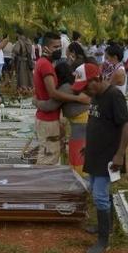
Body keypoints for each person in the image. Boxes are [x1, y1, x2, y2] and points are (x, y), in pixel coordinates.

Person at [73, 63, 128, 253]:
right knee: (101, 193)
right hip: (95, 153)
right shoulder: (96, 95)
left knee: (99, 195)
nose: (85, 91)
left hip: (109, 156)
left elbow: (126, 125)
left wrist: (120, 154)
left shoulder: (114, 95)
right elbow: (97, 123)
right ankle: (105, 227)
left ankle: (103, 241)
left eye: (86, 86)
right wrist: (88, 146)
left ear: (96, 79)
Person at [33, 31, 90, 165]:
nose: (59, 50)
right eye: (55, 47)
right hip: (48, 119)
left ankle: (42, 183)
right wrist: (78, 99)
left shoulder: (41, 63)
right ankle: (41, 184)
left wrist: (35, 100)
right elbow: (53, 94)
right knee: (48, 156)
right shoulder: (46, 66)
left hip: (46, 118)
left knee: (48, 154)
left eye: (60, 47)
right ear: (45, 47)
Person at [13, 28, 34, 93]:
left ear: (17, 34)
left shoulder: (19, 41)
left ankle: (23, 88)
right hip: (28, 60)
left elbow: (16, 51)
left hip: (21, 61)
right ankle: (30, 87)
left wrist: (13, 58)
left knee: (22, 75)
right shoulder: (28, 41)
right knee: (28, 75)